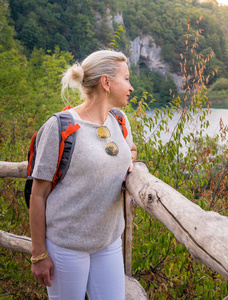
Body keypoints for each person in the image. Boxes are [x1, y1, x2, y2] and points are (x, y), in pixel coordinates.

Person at [29, 49, 137, 300]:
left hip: (108, 241)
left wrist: (131, 161)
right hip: (66, 245)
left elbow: (128, 151)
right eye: (127, 78)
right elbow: (38, 194)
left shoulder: (119, 120)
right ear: (106, 82)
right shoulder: (60, 127)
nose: (131, 87)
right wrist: (38, 254)